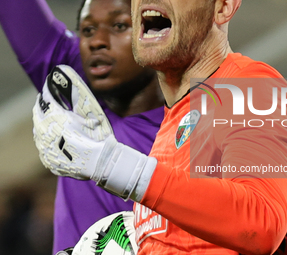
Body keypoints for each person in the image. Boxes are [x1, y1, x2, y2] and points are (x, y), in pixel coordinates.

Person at [32, 0, 287, 254]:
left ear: (222, 7)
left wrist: (114, 165)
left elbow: (261, 223)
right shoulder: (170, 129)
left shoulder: (250, 87)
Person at [0, 0, 164, 253]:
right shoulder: (74, 81)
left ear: (161, 33)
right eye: (87, 30)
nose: (96, 40)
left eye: (119, 25)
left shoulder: (209, 115)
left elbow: (241, 220)